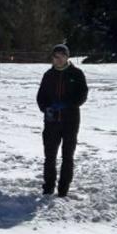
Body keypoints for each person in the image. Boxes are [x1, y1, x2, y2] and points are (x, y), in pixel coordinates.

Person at [36, 43, 88, 197]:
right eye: (55, 56)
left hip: (70, 122)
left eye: (61, 56)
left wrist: (67, 104)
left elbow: (82, 95)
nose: (57, 59)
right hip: (51, 123)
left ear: (67, 57)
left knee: (67, 156)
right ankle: (48, 187)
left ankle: (63, 189)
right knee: (50, 156)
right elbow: (41, 97)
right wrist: (47, 108)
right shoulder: (48, 75)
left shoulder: (76, 74)